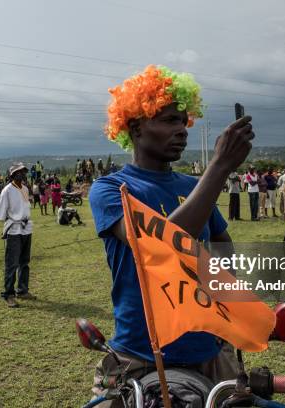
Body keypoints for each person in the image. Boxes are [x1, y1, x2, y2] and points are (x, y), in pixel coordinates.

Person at [88, 65, 253, 405]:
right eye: (168, 120)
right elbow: (159, 246)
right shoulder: (111, 189)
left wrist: (224, 299)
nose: (182, 130)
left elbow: (221, 241)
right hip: (139, 353)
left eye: (183, 121)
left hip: (207, 349)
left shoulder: (191, 186)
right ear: (135, 128)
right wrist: (219, 167)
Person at [0, 163, 36, 308]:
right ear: (12, 175)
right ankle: (8, 294)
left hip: (26, 228)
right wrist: (13, 219)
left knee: (24, 261)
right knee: (12, 264)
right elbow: (0, 214)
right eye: (19, 173)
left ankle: (22, 290)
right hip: (14, 230)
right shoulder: (7, 190)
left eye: (24, 172)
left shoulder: (24, 188)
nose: (23, 175)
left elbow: (25, 206)